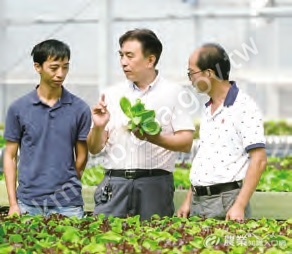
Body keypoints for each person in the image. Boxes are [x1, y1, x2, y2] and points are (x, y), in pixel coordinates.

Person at [87, 28, 195, 220]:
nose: (123, 62)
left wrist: (154, 138)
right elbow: (94, 148)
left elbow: (186, 142)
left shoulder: (174, 92)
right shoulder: (112, 94)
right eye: (121, 55)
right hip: (115, 182)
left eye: (129, 56)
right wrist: (98, 126)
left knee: (153, 243)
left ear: (150, 60)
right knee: (106, 241)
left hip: (154, 183)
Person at [177, 43, 267, 220]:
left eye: (191, 73)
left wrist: (239, 206)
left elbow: (259, 160)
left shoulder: (243, 107)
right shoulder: (208, 108)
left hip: (227, 201)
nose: (190, 79)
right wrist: (189, 199)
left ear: (209, 73)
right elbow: (205, 157)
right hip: (199, 200)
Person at [4, 39, 91, 218]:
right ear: (38, 67)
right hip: (28, 202)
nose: (61, 73)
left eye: (65, 67)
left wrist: (67, 187)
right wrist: (13, 204)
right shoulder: (18, 108)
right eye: (54, 67)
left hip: (69, 206)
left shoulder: (80, 108)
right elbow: (10, 156)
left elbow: (82, 155)